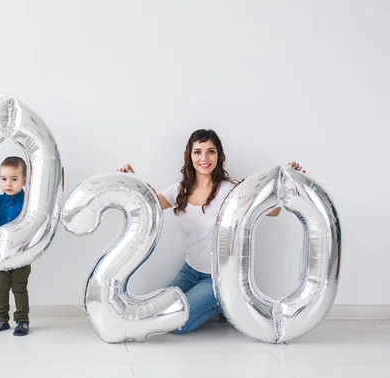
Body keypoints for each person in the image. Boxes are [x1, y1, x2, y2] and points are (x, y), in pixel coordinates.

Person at [119, 129, 305, 333]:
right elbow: (149, 203)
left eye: (211, 151)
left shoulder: (232, 189)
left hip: (218, 277)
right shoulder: (179, 190)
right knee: (158, 310)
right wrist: (132, 181)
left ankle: (225, 302)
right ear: (190, 156)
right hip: (189, 271)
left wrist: (288, 183)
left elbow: (273, 212)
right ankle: (215, 305)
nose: (204, 158)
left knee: (178, 325)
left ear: (219, 156)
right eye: (198, 152)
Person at [0, 156, 31, 336]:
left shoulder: (30, 203)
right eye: (4, 179)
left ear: (24, 181)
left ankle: (22, 321)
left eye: (14, 179)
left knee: (19, 287)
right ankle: (1, 319)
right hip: (0, 254)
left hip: (21, 254)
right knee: (1, 287)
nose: (8, 184)